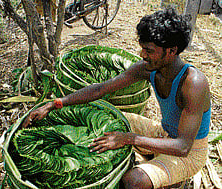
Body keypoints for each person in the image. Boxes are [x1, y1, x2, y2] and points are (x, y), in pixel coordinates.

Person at [22, 7, 211, 189]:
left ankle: (171, 179)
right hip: (163, 133)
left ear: (171, 50)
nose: (142, 55)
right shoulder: (149, 68)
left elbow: (182, 147)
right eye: (142, 48)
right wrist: (56, 104)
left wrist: (129, 139)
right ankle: (153, 159)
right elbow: (101, 89)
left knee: (133, 181)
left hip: (189, 153)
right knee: (109, 120)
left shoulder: (193, 84)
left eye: (149, 50)